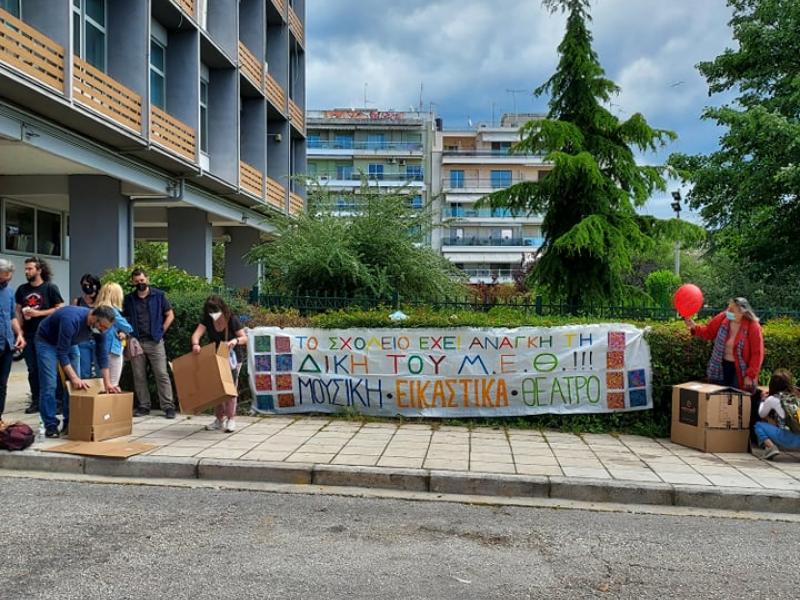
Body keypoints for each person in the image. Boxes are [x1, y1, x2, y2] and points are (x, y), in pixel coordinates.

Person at [35, 305, 119, 437]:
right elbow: (62, 353)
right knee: (50, 383)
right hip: (47, 341)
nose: (103, 330)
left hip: (70, 342)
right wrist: (74, 378)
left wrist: (107, 383)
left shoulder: (100, 329)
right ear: (94, 318)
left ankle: (70, 422)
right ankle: (50, 425)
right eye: (102, 326)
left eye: (106, 328)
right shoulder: (71, 319)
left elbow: (102, 355)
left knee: (75, 387)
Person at [122, 268, 177, 419]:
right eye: (137, 281)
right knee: (139, 375)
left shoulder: (159, 296)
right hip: (136, 341)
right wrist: (128, 337)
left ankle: (168, 406)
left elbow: (170, 314)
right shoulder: (129, 299)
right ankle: (144, 405)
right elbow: (125, 318)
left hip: (155, 340)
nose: (140, 283)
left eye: (142, 280)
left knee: (161, 373)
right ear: (132, 282)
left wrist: (162, 330)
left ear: (147, 279)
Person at [14, 256, 64, 414]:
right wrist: (19, 331)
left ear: (39, 270)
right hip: (28, 334)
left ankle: (57, 401)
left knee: (49, 369)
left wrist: (38, 313)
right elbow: (17, 310)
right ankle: (36, 400)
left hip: (47, 335)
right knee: (32, 369)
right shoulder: (22, 289)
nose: (27, 271)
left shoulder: (50, 288)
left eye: (30, 268)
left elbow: (60, 308)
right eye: (26, 269)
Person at [190, 295, 247, 433]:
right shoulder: (208, 320)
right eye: (210, 312)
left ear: (222, 308)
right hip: (215, 357)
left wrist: (235, 341)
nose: (214, 315)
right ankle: (219, 419)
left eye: (215, 312)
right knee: (217, 391)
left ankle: (231, 419)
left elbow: (244, 338)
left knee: (230, 389)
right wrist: (196, 344)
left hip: (232, 359)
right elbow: (196, 334)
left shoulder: (232, 319)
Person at [683, 297, 764, 391]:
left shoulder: (753, 326)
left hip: (740, 371)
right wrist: (694, 327)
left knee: (736, 399)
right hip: (720, 366)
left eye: (732, 310)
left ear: (742, 312)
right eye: (728, 308)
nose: (728, 311)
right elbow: (709, 332)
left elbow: (757, 354)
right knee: (718, 397)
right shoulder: (722, 318)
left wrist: (750, 375)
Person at [0, 260, 26, 422]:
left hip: (7, 345)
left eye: (9, 278)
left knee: (2, 384)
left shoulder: (9, 292)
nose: (7, 281)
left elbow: (11, 317)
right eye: (4, 279)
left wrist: (19, 335)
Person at [754, 369, 800, 460]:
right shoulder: (796, 397)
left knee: (758, 426)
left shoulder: (772, 399)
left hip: (786, 439)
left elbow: (762, 414)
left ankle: (771, 448)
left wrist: (763, 400)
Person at [95, 282, 133, 387]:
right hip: (113, 349)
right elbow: (128, 327)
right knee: (113, 384)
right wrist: (123, 331)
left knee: (101, 383)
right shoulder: (112, 311)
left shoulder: (97, 309)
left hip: (99, 349)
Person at [72, 273, 101, 379]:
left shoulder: (102, 301)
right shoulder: (78, 301)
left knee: (101, 372)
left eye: (90, 284)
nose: (87, 287)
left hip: (99, 340)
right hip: (83, 340)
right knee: (84, 374)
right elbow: (73, 320)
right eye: (84, 284)